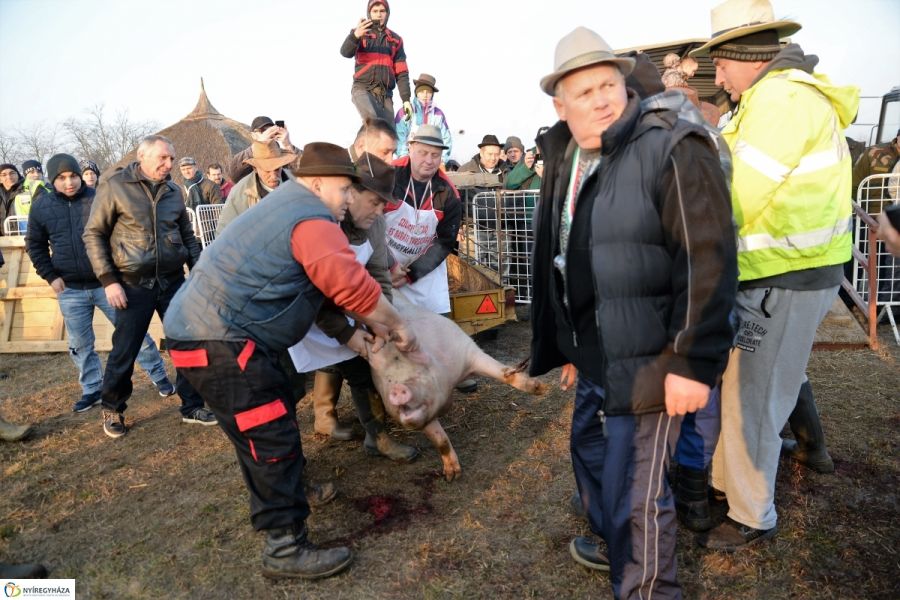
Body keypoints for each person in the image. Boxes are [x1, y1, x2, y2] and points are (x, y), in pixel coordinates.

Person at [530, 27, 737, 598]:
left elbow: (707, 261)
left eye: (608, 84)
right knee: (591, 452)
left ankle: (645, 585)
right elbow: (566, 250)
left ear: (625, 84)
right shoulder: (567, 152)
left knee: (638, 496)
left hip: (651, 359)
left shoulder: (671, 145)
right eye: (584, 91)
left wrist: (692, 362)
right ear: (560, 104)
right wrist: (568, 344)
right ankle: (609, 540)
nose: (600, 99)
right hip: (597, 349)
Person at [162, 142, 419, 580]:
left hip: (209, 333)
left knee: (272, 412)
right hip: (222, 337)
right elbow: (352, 287)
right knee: (271, 435)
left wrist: (354, 338)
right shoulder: (310, 216)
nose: (346, 201)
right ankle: (284, 547)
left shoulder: (291, 206)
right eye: (344, 191)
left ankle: (291, 491)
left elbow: (317, 294)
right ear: (319, 183)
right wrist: (398, 327)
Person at [689, 0, 859, 551]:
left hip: (786, 277)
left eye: (721, 63)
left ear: (744, 55)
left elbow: (732, 199)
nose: (718, 76)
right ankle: (726, 486)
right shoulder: (772, 98)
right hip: (776, 276)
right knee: (746, 389)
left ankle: (750, 514)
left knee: (754, 400)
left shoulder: (782, 102)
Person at [83, 134, 216, 438]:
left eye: (172, 158)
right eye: (163, 159)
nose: (169, 164)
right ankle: (113, 408)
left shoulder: (172, 191)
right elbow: (94, 235)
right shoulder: (116, 187)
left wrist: (198, 273)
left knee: (186, 343)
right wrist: (108, 280)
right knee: (125, 350)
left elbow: (186, 234)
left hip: (172, 282)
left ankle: (192, 405)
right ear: (142, 158)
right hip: (131, 284)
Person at [290, 153, 418, 461]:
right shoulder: (322, 225)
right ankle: (290, 460)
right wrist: (347, 333)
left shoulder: (375, 225)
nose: (379, 211)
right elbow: (312, 294)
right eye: (374, 202)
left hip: (347, 307)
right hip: (302, 318)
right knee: (288, 390)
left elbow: (377, 276)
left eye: (383, 205)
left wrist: (381, 324)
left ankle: (378, 437)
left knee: (363, 372)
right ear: (352, 192)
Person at [26, 153, 175, 413]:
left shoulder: (98, 197)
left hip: (108, 285)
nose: (69, 182)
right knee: (80, 344)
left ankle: (159, 375)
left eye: (73, 175)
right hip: (70, 288)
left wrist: (114, 278)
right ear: (53, 180)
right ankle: (92, 389)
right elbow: (35, 245)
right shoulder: (41, 207)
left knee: (133, 335)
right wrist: (50, 275)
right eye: (61, 178)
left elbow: (118, 237)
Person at [340, 1, 412, 126]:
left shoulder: (396, 40)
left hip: (385, 95)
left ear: (387, 13)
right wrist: (355, 35)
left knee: (389, 137)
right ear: (369, 13)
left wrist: (406, 100)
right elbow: (345, 52)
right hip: (363, 89)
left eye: (382, 11)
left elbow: (402, 72)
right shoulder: (360, 33)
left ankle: (355, 146)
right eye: (375, 11)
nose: (379, 15)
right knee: (373, 122)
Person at [216, 141, 297, 234]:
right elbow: (223, 234)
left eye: (277, 169)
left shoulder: (297, 184)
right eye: (267, 170)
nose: (274, 176)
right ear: (255, 168)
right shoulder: (240, 193)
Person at [394, 73, 452, 164]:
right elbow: (399, 137)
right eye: (421, 91)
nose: (425, 95)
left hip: (431, 161)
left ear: (432, 94)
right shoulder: (405, 111)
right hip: (408, 160)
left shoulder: (439, 114)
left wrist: (442, 161)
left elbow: (446, 139)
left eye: (428, 92)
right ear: (416, 93)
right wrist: (404, 159)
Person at [228, 116, 301, 184]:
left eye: (270, 129)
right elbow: (234, 175)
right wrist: (260, 144)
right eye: (262, 130)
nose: (268, 133)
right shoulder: (248, 154)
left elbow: (305, 170)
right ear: (253, 135)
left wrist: (288, 144)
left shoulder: (283, 154)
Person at [0, 163, 23, 233]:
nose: (9, 177)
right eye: (4, 175)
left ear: (18, 175)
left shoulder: (27, 190)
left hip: (23, 236)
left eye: (12, 173)